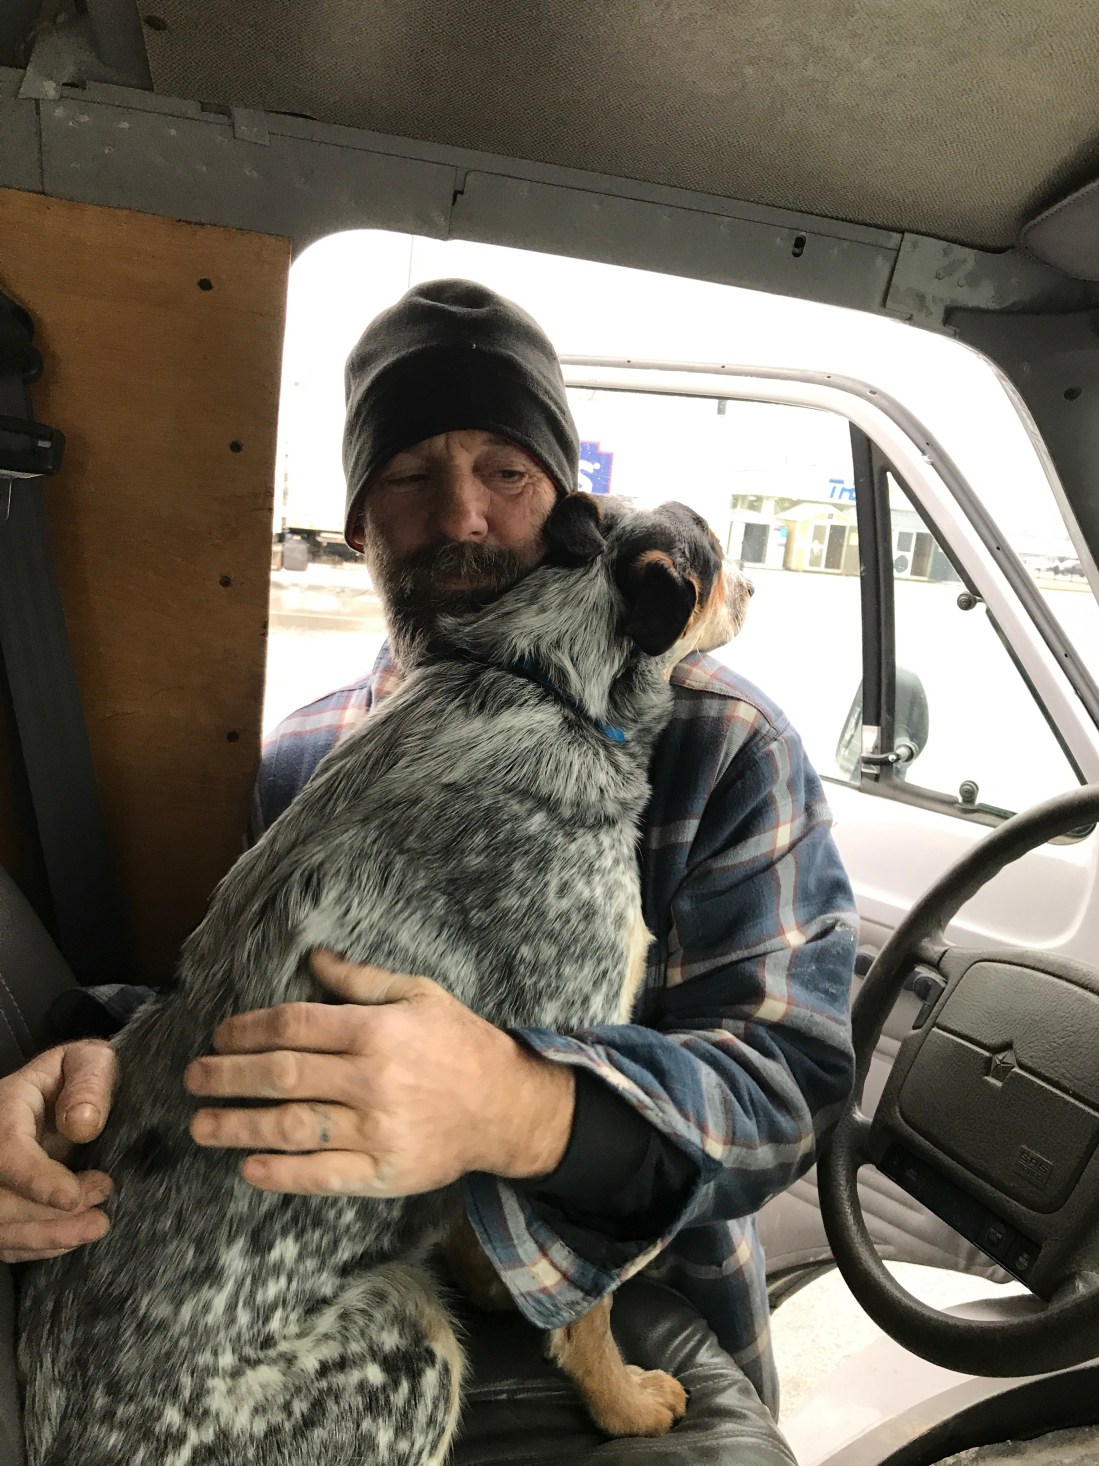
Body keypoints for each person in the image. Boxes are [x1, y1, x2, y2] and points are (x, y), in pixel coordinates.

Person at [0, 279, 856, 1417]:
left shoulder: (726, 745)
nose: (461, 517)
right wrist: (81, 1056)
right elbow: (250, 1001)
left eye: (506, 471)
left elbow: (785, 1095)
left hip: (641, 1299)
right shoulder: (309, 751)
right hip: (351, 1274)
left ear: (572, 514)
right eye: (408, 476)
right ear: (359, 524)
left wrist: (520, 1106)